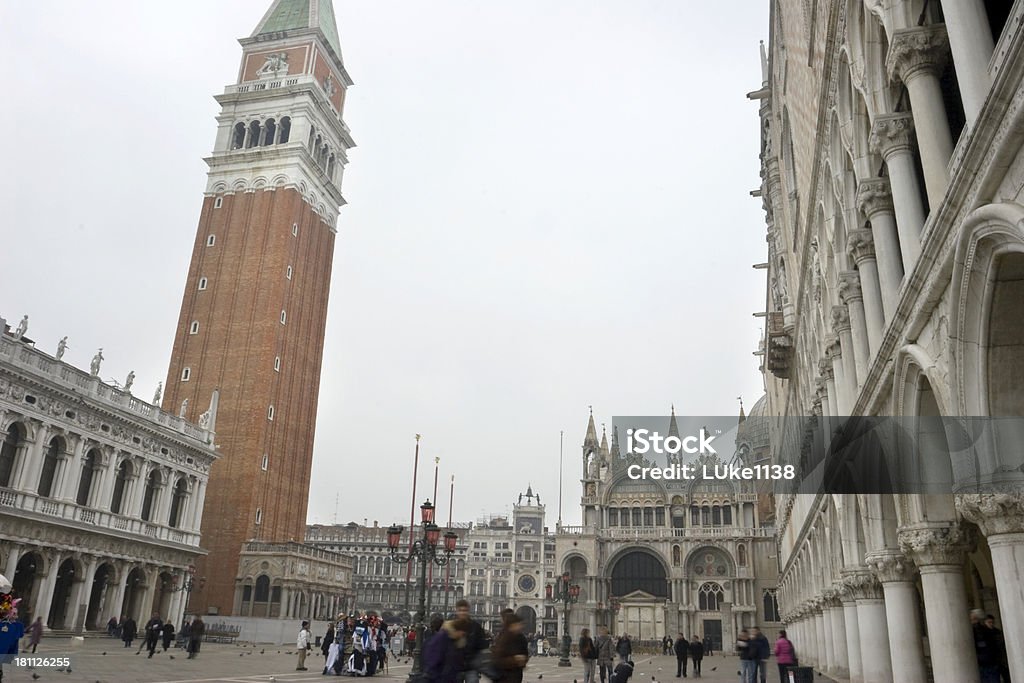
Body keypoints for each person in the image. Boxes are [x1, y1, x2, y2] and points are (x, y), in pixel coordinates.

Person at [423, 617, 470, 683]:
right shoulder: (443, 638)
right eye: (462, 632)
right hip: (439, 678)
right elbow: (434, 660)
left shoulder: (455, 640)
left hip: (448, 678)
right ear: (457, 630)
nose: (463, 634)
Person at [455, 599, 487, 683]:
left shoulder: (476, 627)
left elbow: (482, 646)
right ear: (457, 611)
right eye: (460, 610)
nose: (462, 613)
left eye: (465, 610)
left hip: (471, 667)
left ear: (468, 611)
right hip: (455, 667)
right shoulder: (451, 627)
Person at [491, 613, 529, 683]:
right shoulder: (503, 638)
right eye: (517, 624)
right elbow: (497, 659)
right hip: (503, 676)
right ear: (511, 625)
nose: (519, 626)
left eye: (520, 624)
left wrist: (524, 660)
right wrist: (515, 659)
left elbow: (525, 653)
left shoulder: (521, 638)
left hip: (516, 674)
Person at [971, 609, 1002, 683]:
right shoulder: (986, 631)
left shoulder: (981, 631)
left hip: (988, 663)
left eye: (973, 618)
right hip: (986, 663)